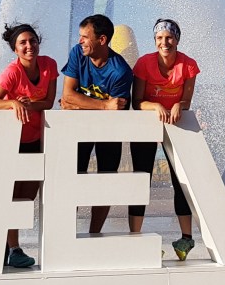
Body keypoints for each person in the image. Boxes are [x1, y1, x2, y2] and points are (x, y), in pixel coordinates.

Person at [0, 23, 57, 268]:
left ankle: (6, 246)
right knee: (11, 196)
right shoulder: (12, 72)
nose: (29, 46)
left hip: (36, 139)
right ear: (15, 49)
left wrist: (28, 105)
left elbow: (48, 102)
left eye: (32, 40)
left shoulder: (48, 65)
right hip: (12, 143)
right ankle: (14, 249)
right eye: (22, 43)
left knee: (27, 197)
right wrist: (12, 103)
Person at [130, 19, 200, 260]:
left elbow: (187, 100)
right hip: (146, 125)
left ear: (177, 40)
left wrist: (180, 104)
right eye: (159, 38)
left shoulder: (188, 65)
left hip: (175, 125)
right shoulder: (143, 63)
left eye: (169, 37)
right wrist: (156, 106)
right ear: (154, 40)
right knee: (141, 180)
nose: (164, 42)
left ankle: (186, 238)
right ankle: (135, 238)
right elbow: (137, 102)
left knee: (181, 180)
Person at [59, 14, 134, 234]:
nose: (80, 41)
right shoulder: (78, 53)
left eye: (85, 37)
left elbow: (115, 113)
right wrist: (103, 105)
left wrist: (77, 104)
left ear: (102, 40)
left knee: (106, 181)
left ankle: (94, 234)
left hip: (109, 131)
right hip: (78, 129)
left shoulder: (121, 71)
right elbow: (67, 96)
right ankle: (66, 234)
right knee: (72, 178)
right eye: (80, 36)